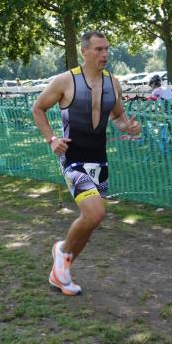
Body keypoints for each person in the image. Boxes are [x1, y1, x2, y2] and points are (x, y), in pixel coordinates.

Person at [32, 31, 141, 296]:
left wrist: (128, 127)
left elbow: (118, 116)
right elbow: (38, 108)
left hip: (99, 159)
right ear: (84, 51)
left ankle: (62, 270)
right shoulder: (65, 81)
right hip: (72, 157)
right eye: (99, 49)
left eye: (107, 49)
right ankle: (62, 252)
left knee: (91, 221)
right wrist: (52, 139)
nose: (105, 54)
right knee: (95, 213)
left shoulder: (113, 83)